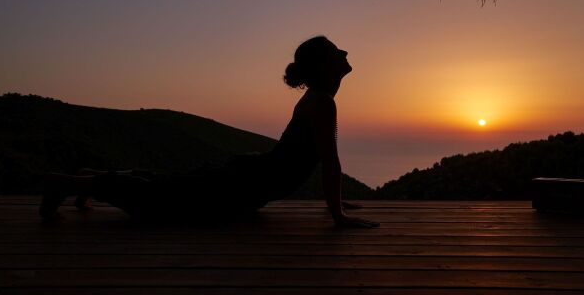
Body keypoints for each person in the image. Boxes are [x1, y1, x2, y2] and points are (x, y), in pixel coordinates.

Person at [41, 36, 380, 228]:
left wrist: (334, 200)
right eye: (337, 51)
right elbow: (330, 162)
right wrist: (340, 216)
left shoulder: (318, 100)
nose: (346, 52)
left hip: (248, 181)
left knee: (166, 189)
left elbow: (310, 158)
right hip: (242, 183)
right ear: (323, 65)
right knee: (158, 203)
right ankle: (68, 183)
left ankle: (90, 178)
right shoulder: (321, 102)